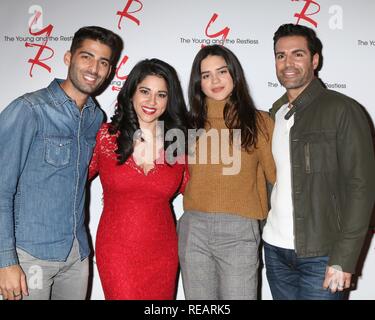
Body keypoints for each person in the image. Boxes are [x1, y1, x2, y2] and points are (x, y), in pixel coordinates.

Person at [0, 26, 123, 300]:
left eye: (103, 62)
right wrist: (5, 260)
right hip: (30, 257)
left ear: (110, 70)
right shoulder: (30, 109)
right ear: (69, 58)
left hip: (76, 256)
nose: (94, 68)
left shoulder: (95, 118)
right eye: (86, 57)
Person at [262, 23, 375, 300]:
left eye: (297, 54)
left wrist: (343, 259)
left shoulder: (343, 110)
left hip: (323, 254)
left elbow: (362, 187)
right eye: (280, 55)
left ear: (315, 60)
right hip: (275, 251)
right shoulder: (273, 114)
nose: (288, 63)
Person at [178, 44, 276, 300]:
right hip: (194, 229)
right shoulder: (186, 125)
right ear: (199, 83)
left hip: (240, 229)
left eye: (222, 72)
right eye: (207, 75)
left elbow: (276, 177)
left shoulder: (260, 122)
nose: (215, 80)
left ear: (235, 75)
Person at [88, 58, 189, 300]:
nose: (152, 101)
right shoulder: (105, 137)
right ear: (131, 92)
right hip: (117, 251)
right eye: (145, 91)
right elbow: (70, 181)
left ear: (169, 100)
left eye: (161, 94)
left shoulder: (179, 145)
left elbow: (199, 193)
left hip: (163, 252)